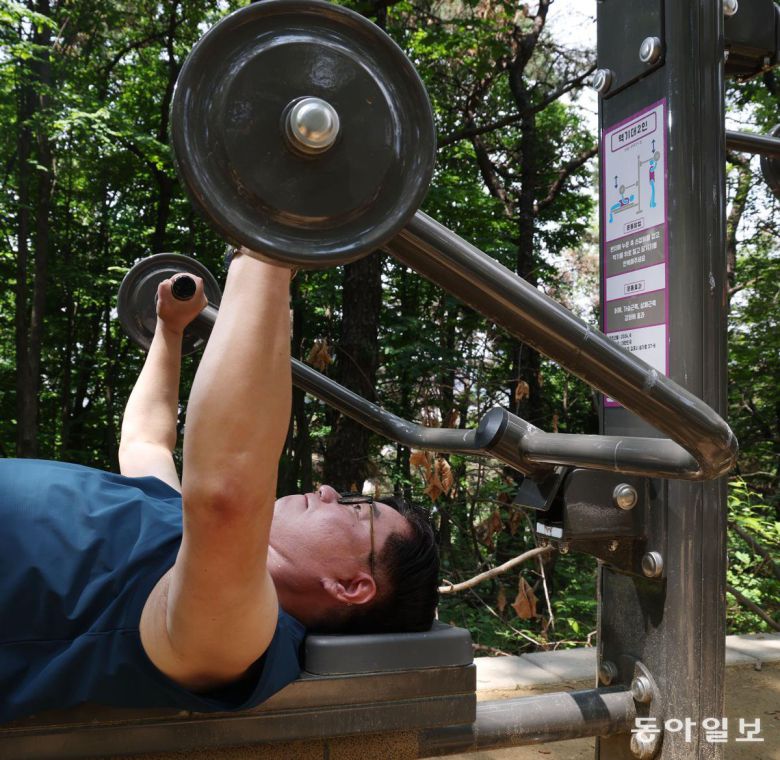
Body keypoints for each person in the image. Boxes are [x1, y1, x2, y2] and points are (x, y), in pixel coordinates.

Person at [0, 250, 439, 723]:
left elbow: (226, 496)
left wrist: (267, 246)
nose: (332, 490)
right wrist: (170, 331)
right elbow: (145, 442)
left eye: (357, 511)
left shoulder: (238, 638)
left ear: (351, 586)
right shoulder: (181, 528)